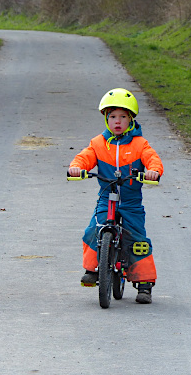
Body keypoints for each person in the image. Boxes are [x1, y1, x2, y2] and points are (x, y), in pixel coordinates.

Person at [68, 88, 163, 304]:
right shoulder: (98, 143)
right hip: (106, 197)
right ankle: (92, 269)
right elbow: (84, 157)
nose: (117, 121)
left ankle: (144, 283)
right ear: (106, 119)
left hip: (130, 202)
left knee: (137, 238)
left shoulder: (140, 144)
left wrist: (153, 171)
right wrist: (76, 167)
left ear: (131, 119)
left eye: (122, 116)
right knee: (93, 230)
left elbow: (152, 159)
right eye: (112, 117)